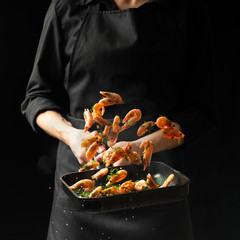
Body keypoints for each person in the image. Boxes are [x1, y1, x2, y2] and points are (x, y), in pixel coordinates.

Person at [22, 0, 215, 239]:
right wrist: (71, 135)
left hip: (156, 185)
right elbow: (37, 97)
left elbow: (199, 110)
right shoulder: (68, 6)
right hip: (82, 183)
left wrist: (139, 148)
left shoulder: (186, 9)